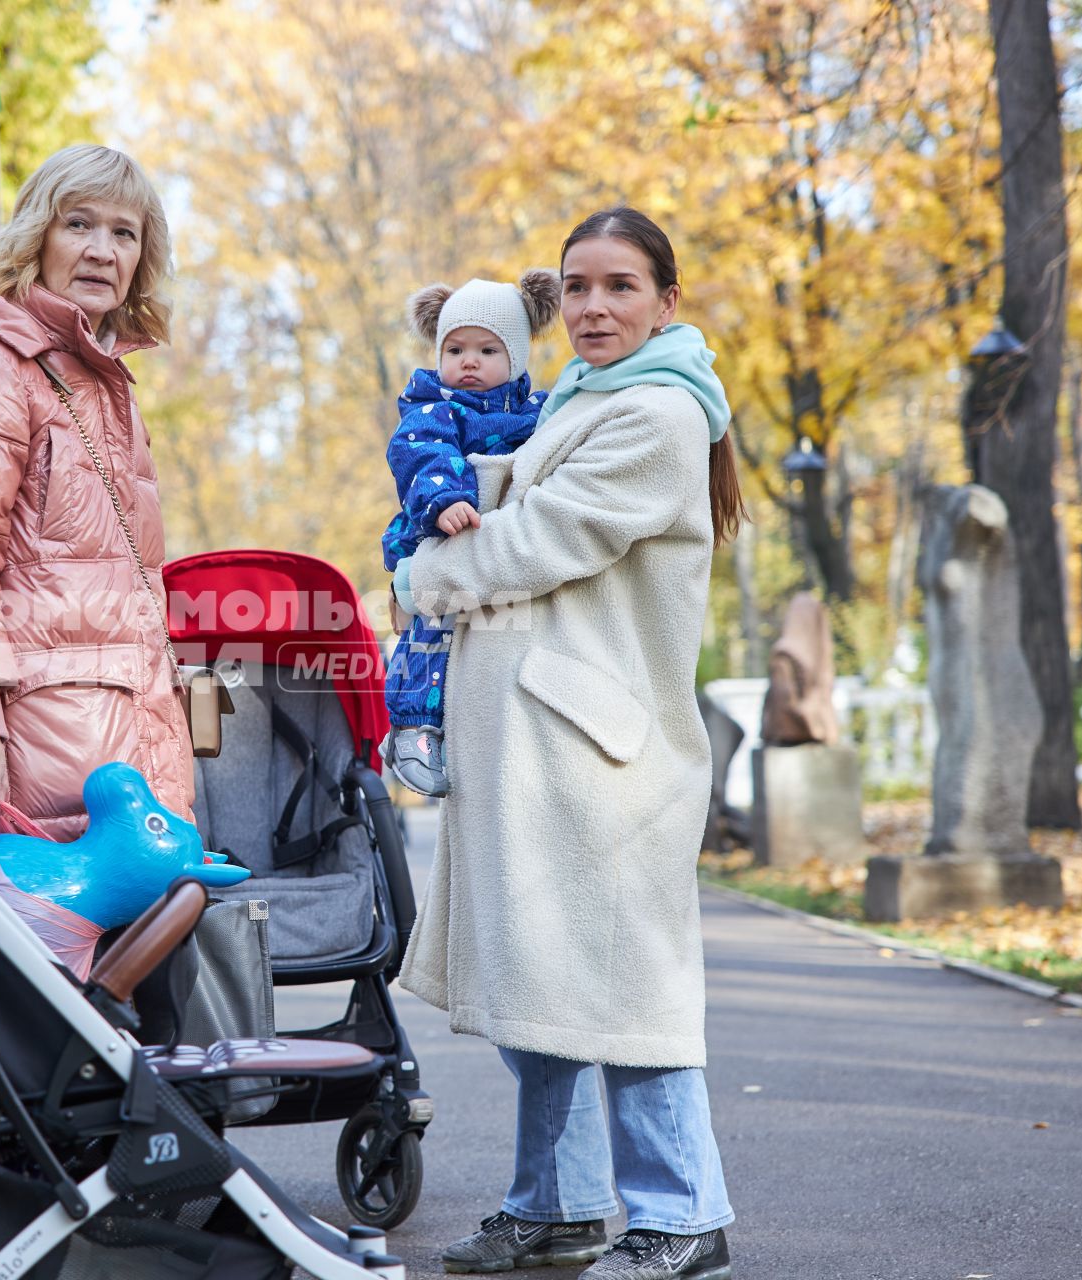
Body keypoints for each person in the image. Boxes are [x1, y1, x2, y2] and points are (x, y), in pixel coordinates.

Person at [393, 207, 744, 1280]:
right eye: (578, 286)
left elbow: (546, 538)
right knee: (542, 986)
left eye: (620, 286)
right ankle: (558, 1203)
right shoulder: (578, 403)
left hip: (601, 756)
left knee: (624, 987)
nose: (594, 306)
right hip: (539, 746)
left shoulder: (660, 414)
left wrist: (424, 578)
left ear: (665, 303)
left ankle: (684, 1213)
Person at [0, 144, 193, 843]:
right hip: (35, 757)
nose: (101, 250)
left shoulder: (101, 382)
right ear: (36, 236)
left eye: (124, 233)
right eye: (78, 225)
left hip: (123, 748)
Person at [380, 272, 559, 795]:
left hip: (498, 551)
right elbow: (420, 453)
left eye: (487, 349)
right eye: (455, 349)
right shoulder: (432, 406)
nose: (469, 362)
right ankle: (413, 727)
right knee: (428, 635)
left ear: (518, 358)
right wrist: (444, 499)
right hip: (438, 534)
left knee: (491, 641)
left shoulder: (537, 414)